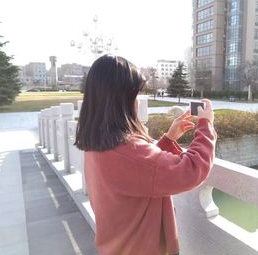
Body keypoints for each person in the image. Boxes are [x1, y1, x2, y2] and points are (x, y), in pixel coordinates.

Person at [75, 55, 217, 255]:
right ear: (122, 100)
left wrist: (168, 139)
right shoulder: (128, 150)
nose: (137, 102)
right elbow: (191, 170)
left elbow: (139, 173)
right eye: (135, 95)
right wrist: (206, 125)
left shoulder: (97, 144)